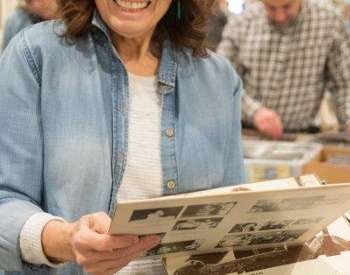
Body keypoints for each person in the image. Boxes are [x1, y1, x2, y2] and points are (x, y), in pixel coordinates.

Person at [0, 0, 246, 274]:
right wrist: (65, 240)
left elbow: (234, 212)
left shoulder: (219, 80)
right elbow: (6, 199)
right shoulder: (34, 56)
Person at [217, 0, 350, 139]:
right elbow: (221, 80)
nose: (279, 16)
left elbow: (344, 82)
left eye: (287, 7)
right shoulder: (242, 23)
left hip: (302, 135)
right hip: (248, 133)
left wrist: (348, 117)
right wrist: (254, 111)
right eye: (271, 8)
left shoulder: (329, 21)